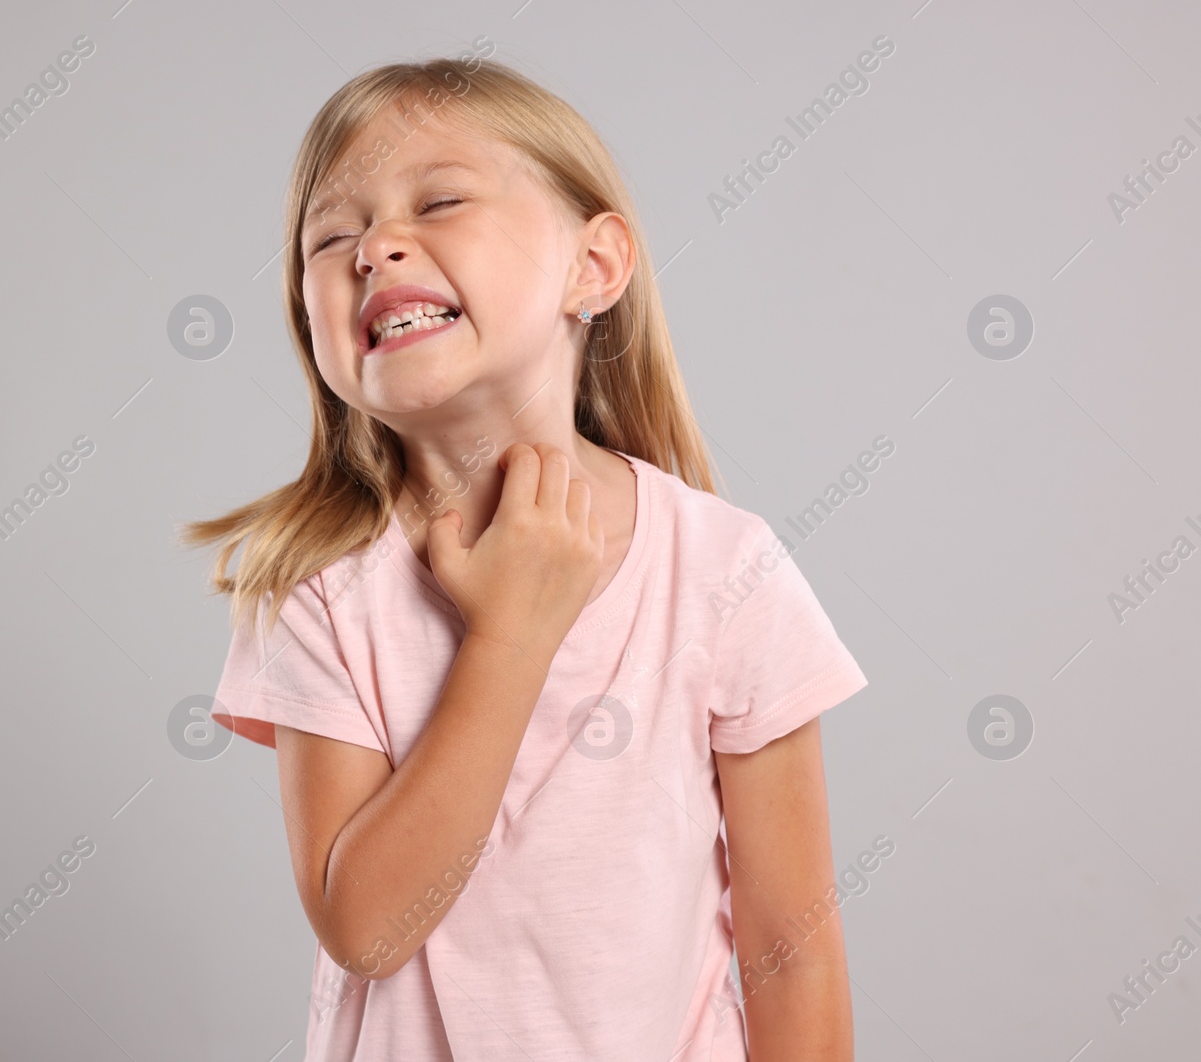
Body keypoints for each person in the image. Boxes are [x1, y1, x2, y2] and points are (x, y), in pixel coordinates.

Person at [181, 54, 867, 1061]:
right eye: (330, 237)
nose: (375, 247)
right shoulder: (319, 584)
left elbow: (791, 951)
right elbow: (366, 925)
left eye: (440, 200)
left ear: (592, 267)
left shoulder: (722, 566)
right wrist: (513, 631)